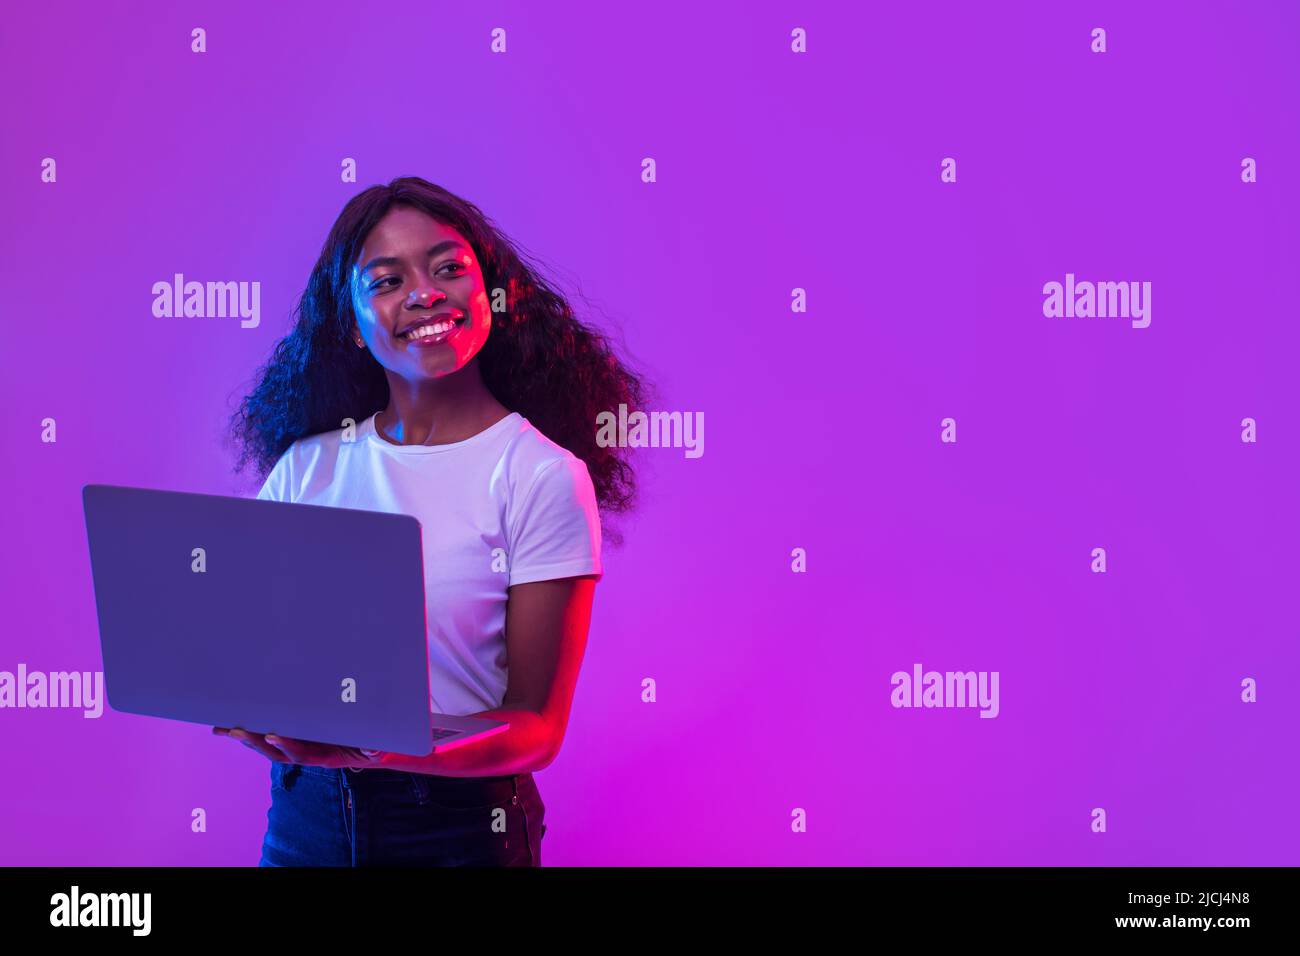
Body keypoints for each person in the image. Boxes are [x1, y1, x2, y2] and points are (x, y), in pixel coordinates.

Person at [218, 176, 646, 866]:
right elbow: (263, 647)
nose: (425, 291)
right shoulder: (306, 470)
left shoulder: (538, 474)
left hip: (457, 828)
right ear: (352, 326)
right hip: (307, 818)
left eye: (449, 267)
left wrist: (375, 743)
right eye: (386, 281)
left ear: (492, 297)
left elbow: (536, 729)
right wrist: (241, 696)